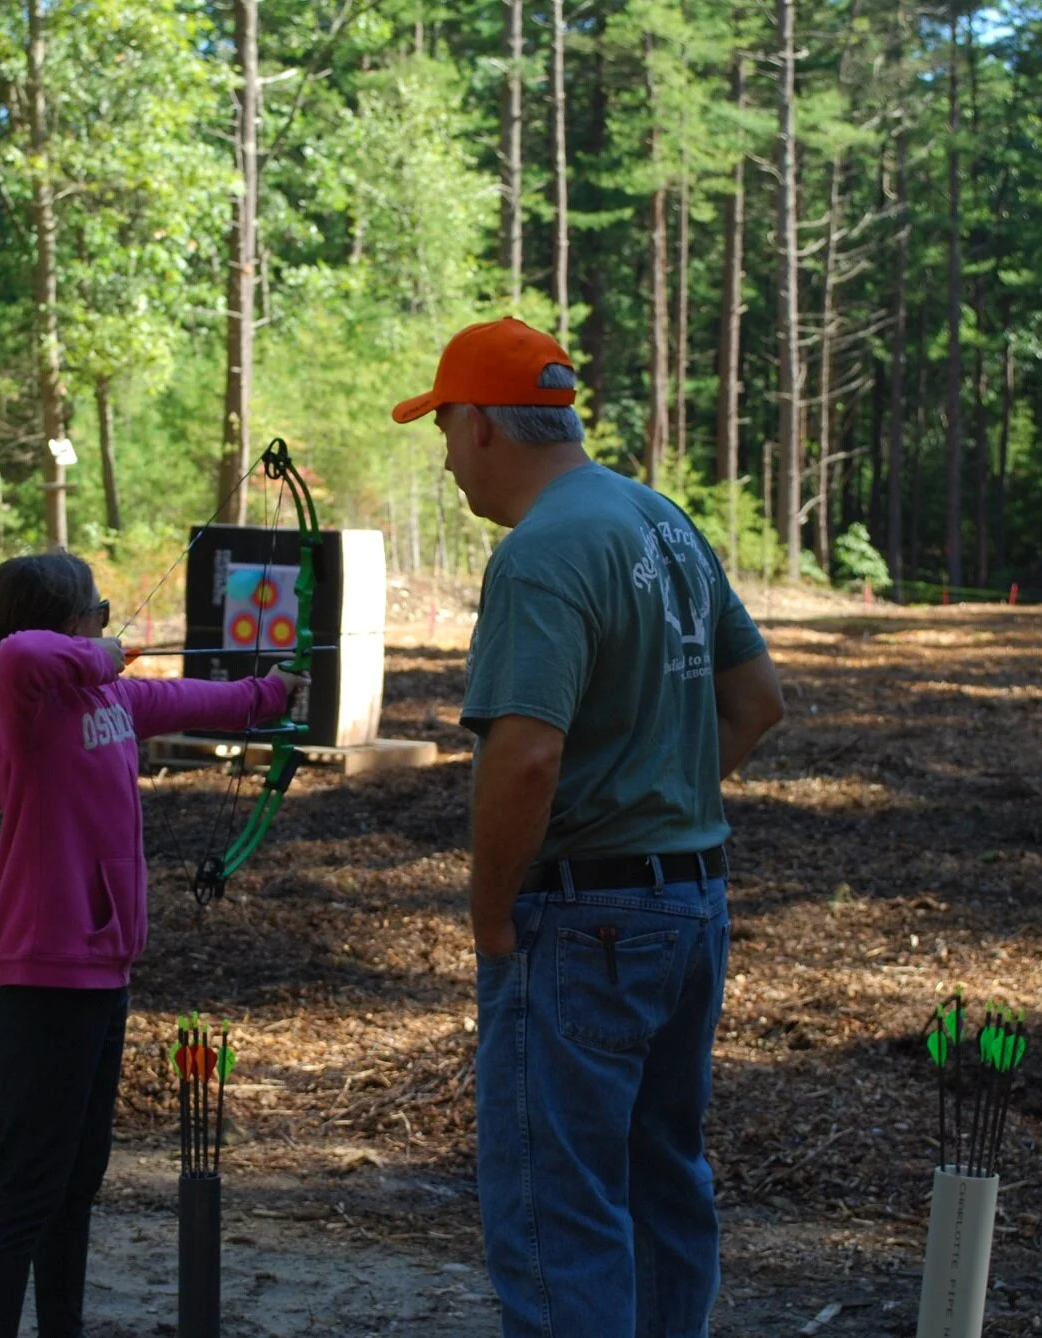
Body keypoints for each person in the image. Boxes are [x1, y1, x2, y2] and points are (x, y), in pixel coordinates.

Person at [393, 317, 786, 1338]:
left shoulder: (539, 556)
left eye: (440, 430)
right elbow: (755, 704)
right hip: (689, 902)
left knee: (557, 1212)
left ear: (479, 424)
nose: (442, 460)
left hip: (583, 922)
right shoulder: (657, 519)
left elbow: (524, 756)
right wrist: (659, 797)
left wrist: (488, 915)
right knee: (661, 1178)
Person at [0, 552, 304, 1338]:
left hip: (101, 964)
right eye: (99, 616)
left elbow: (182, 697)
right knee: (29, 1184)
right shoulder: (24, 695)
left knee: (77, 1180)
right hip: (44, 965)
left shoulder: (99, 699)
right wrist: (100, 654)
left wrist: (268, 694)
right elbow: (19, 652)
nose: (108, 630)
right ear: (72, 626)